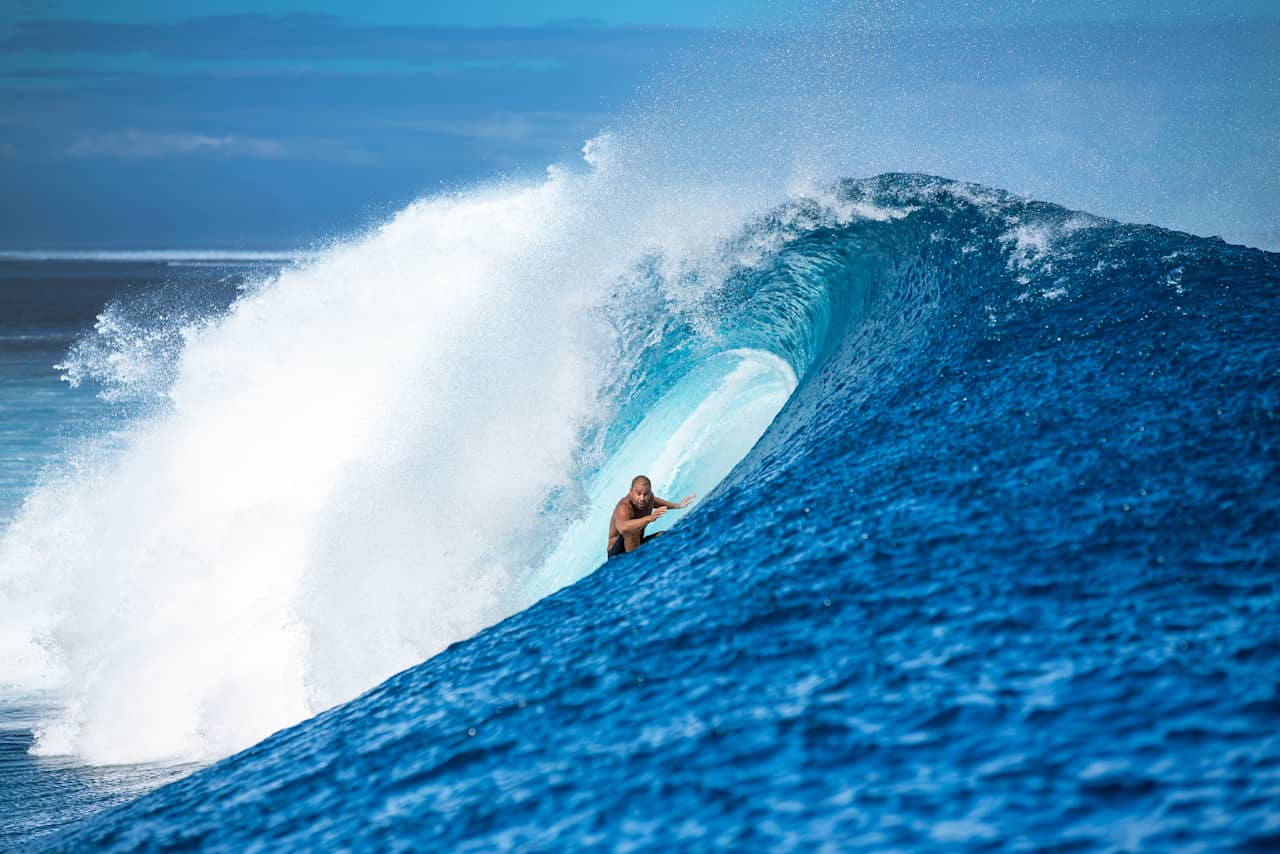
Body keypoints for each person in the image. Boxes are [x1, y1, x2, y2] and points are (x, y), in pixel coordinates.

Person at [607, 475, 695, 559]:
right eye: (638, 494)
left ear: (650, 493)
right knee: (632, 530)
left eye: (645, 494)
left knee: (662, 535)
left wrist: (678, 505)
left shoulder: (648, 499)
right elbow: (623, 528)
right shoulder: (624, 507)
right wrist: (650, 518)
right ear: (631, 492)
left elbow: (655, 502)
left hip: (637, 544)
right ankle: (635, 565)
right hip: (616, 553)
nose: (642, 498)